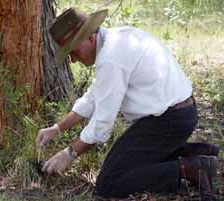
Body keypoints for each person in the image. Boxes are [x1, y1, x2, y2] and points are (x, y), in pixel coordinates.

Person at [36, 8, 219, 200]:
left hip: (169, 120)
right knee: (125, 163)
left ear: (89, 38)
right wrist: (57, 128)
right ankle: (202, 153)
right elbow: (94, 97)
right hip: (180, 114)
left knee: (110, 182)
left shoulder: (111, 58)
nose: (73, 59)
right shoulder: (116, 40)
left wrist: (69, 154)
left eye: (73, 51)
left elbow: (101, 125)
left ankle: (191, 168)